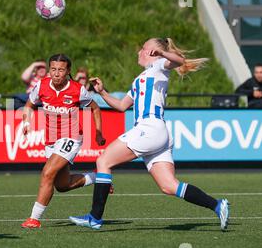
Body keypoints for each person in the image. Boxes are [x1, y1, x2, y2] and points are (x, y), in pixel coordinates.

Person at [69, 38, 230, 231]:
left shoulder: (159, 66)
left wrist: (162, 54)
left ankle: (95, 218)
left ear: (152, 51)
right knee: (169, 186)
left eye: (143, 48)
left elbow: (178, 60)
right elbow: (121, 106)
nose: (139, 52)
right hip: (158, 132)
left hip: (149, 128)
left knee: (103, 161)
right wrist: (102, 93)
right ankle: (217, 205)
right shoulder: (141, 78)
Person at [21, 54, 106, 229]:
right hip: (51, 139)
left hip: (71, 137)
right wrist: (26, 122)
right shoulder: (41, 85)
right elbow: (29, 105)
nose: (56, 73)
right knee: (62, 185)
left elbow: (95, 108)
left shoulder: (77, 89)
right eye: (53, 69)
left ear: (68, 71)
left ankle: (34, 219)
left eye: (61, 70)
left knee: (47, 173)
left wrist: (98, 132)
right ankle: (99, 178)